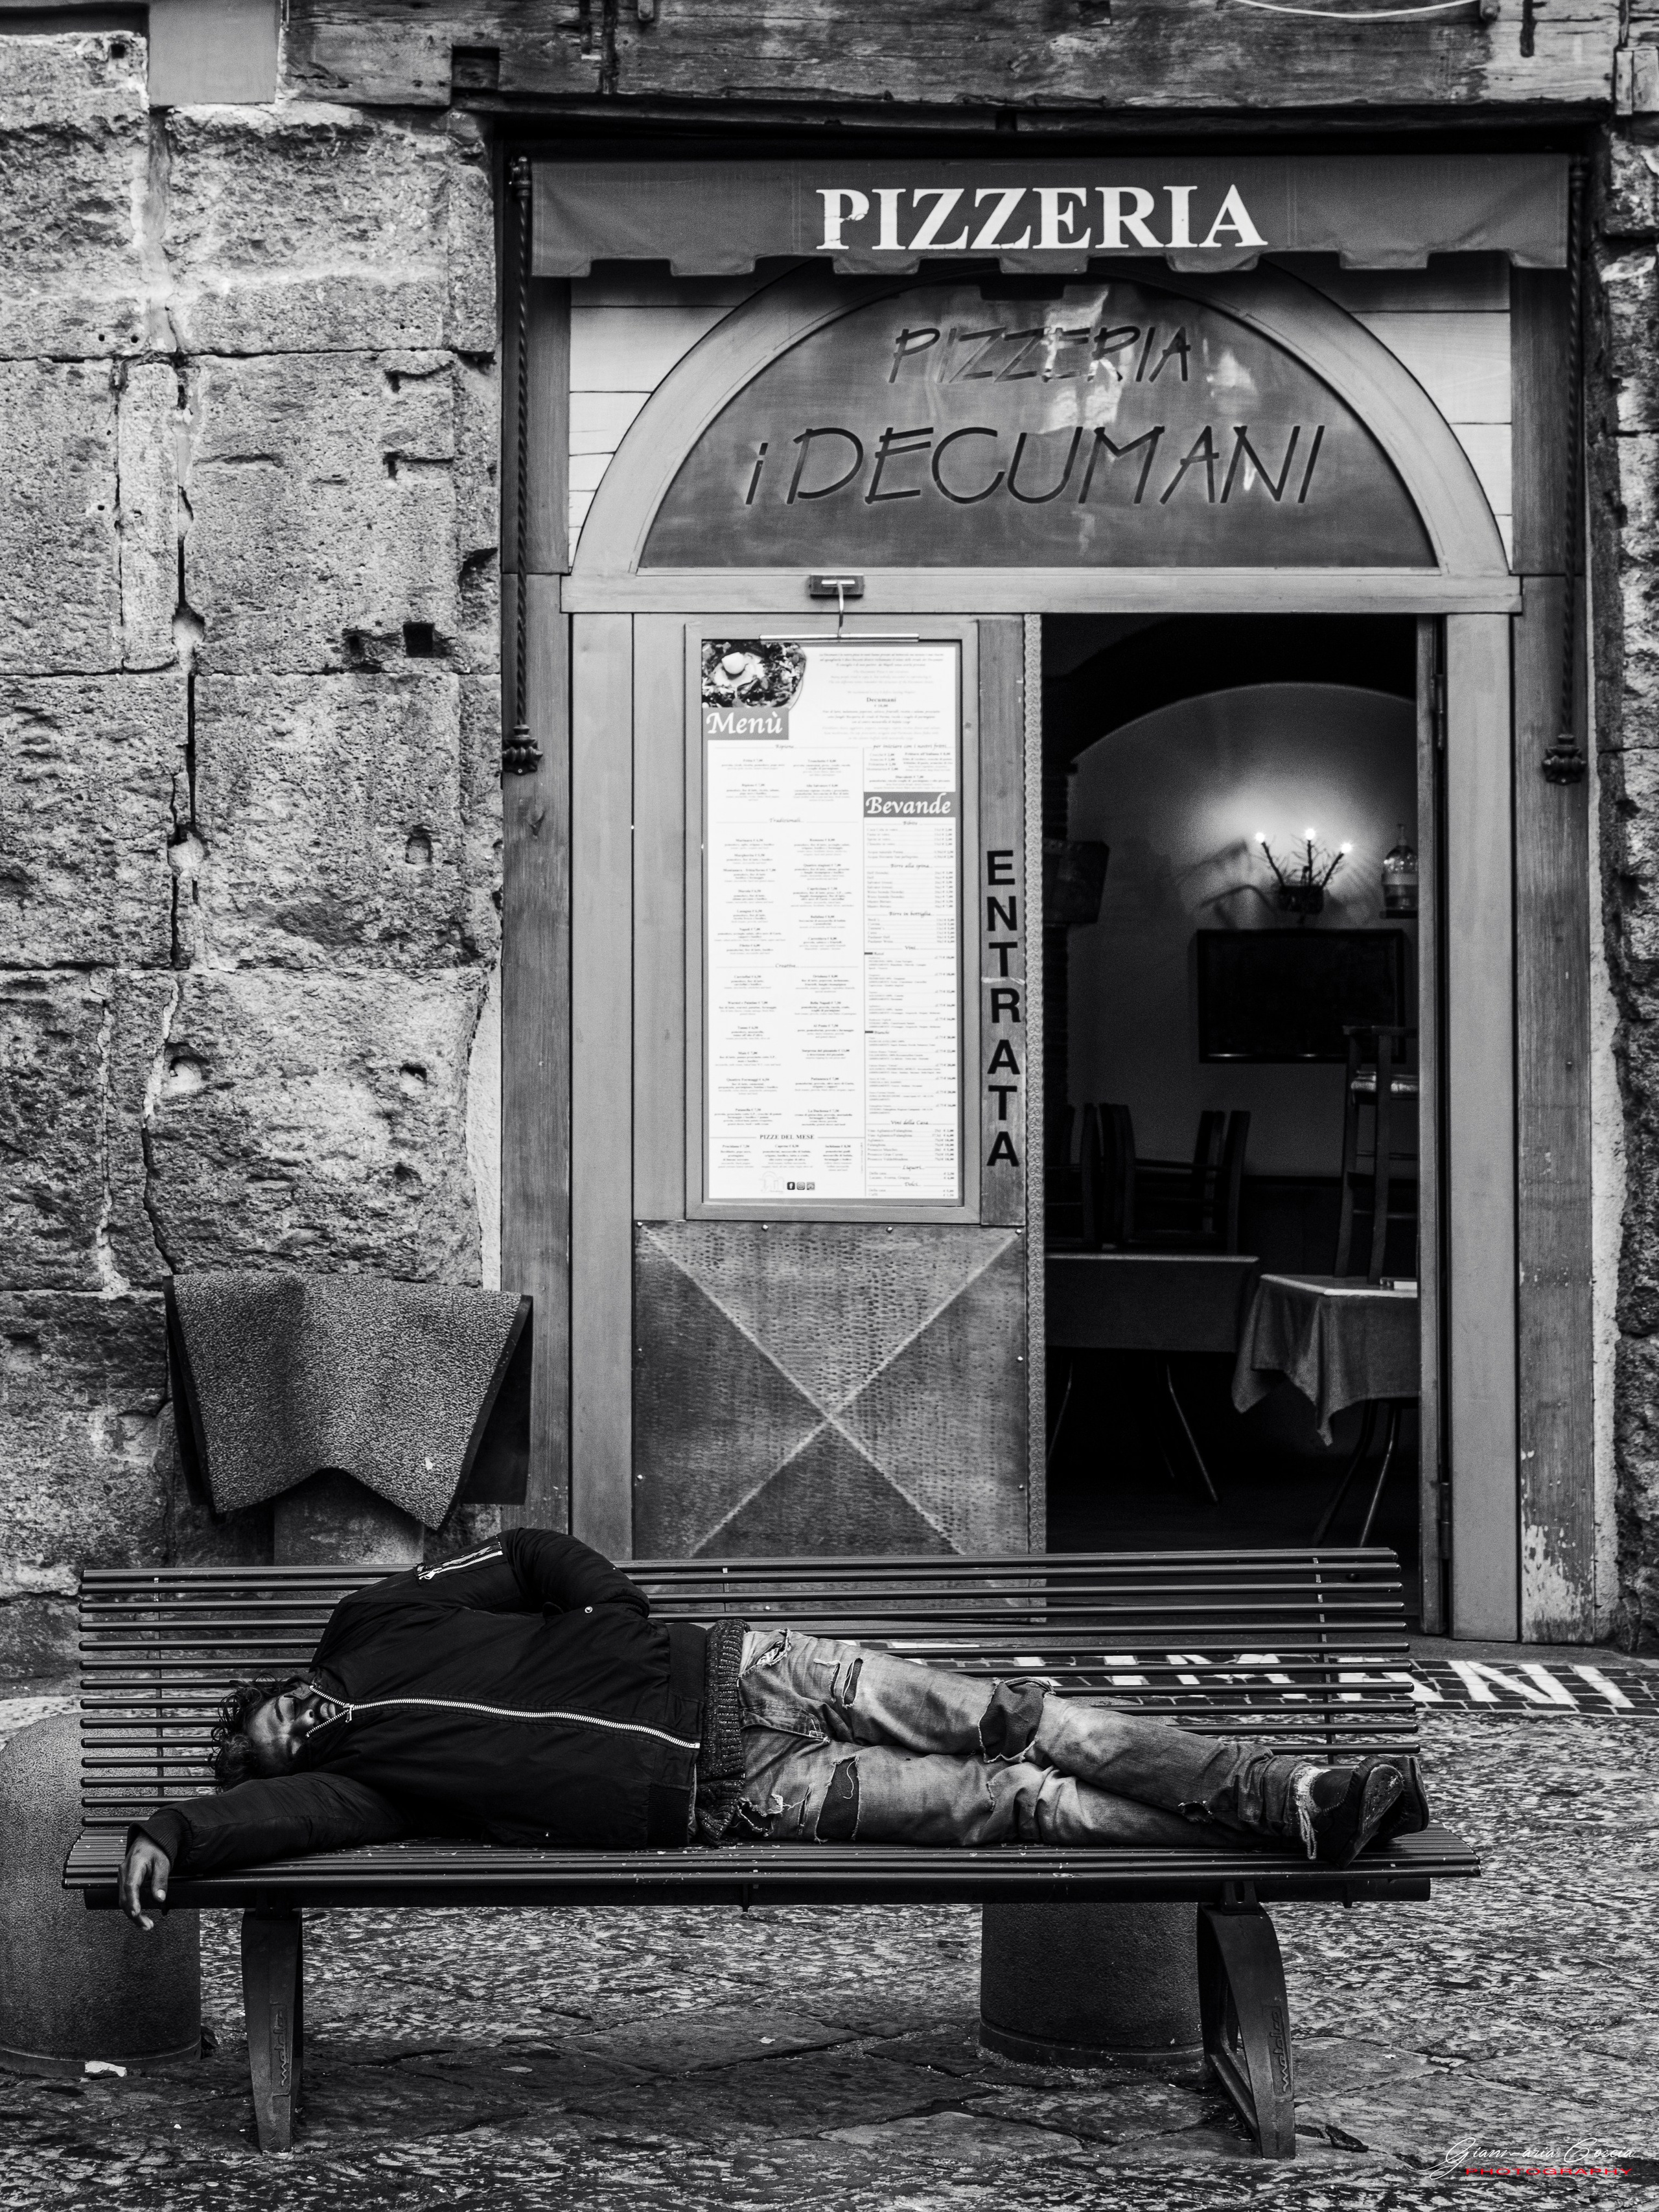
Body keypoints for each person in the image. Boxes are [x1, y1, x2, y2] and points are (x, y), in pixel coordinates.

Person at [119, 1529, 1428, 1927]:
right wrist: (184, 1825)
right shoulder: (372, 1786)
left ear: (269, 1683)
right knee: (1025, 1806)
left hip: (758, 1675)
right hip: (746, 1801)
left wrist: (617, 1627)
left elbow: (522, 1555)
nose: (266, 1731)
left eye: (253, 1714)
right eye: (252, 1748)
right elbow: (278, 1820)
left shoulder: (367, 1622)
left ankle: (1280, 1794)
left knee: (1023, 1722)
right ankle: (1292, 1810)